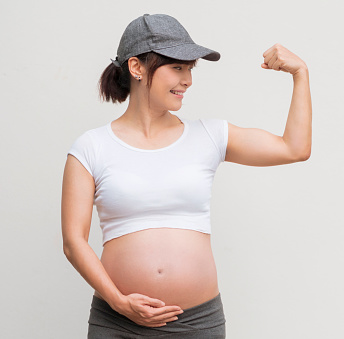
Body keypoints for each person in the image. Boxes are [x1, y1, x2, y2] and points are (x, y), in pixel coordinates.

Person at [61, 13, 311, 338]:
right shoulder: (91, 147)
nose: (188, 80)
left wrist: (300, 74)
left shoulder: (209, 136)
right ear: (136, 68)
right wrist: (118, 301)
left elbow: (294, 148)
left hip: (198, 325)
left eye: (190, 69)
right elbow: (73, 242)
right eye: (177, 68)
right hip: (118, 322)